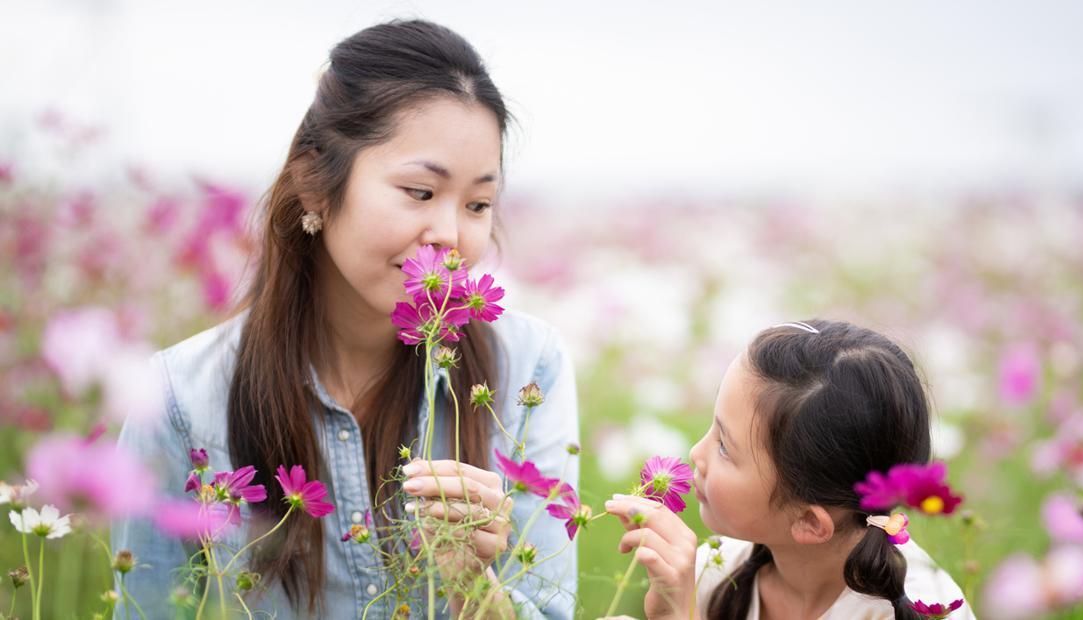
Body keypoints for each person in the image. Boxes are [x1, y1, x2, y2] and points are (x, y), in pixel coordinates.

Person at [112, 19, 578, 619]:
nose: (450, 235)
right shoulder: (180, 399)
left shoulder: (527, 366)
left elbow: (552, 607)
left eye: (478, 204)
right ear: (314, 182)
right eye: (419, 191)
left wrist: (473, 583)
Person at [605, 320, 974, 619]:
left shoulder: (923, 609)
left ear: (810, 523)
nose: (695, 453)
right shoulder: (716, 568)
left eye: (723, 447)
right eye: (713, 428)